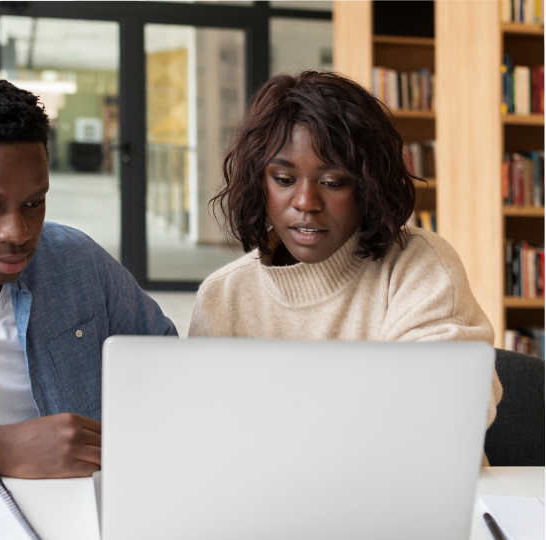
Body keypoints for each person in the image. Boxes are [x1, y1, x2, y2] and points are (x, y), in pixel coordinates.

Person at [189, 71, 502, 463]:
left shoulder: (419, 266)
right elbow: (209, 437)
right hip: (271, 506)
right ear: (258, 182)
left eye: (334, 181)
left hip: (414, 503)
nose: (305, 201)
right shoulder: (223, 296)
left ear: (369, 185)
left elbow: (454, 407)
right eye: (284, 178)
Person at [0, 68, 177, 478]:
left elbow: (170, 372)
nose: (18, 233)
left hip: (78, 510)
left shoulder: (77, 262)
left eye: (33, 203)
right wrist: (1, 446)